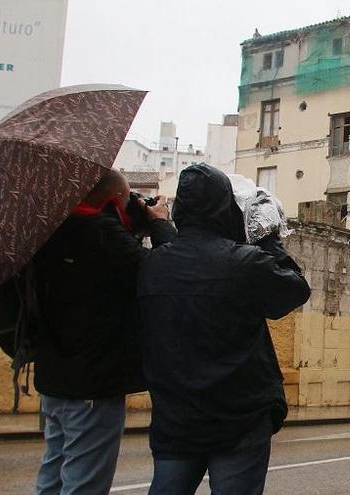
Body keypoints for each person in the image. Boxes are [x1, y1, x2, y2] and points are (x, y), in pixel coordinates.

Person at [138, 164, 310, 494]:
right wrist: (267, 237)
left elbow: (182, 257)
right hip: (239, 417)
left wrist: (159, 227)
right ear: (225, 208)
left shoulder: (152, 265)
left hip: (176, 418)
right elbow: (294, 290)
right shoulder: (244, 263)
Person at [33, 169, 174, 495]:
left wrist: (130, 220)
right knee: (84, 486)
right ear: (112, 202)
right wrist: (159, 222)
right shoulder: (102, 235)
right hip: (92, 390)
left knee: (52, 478)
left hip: (54, 382)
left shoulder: (51, 228)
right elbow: (167, 272)